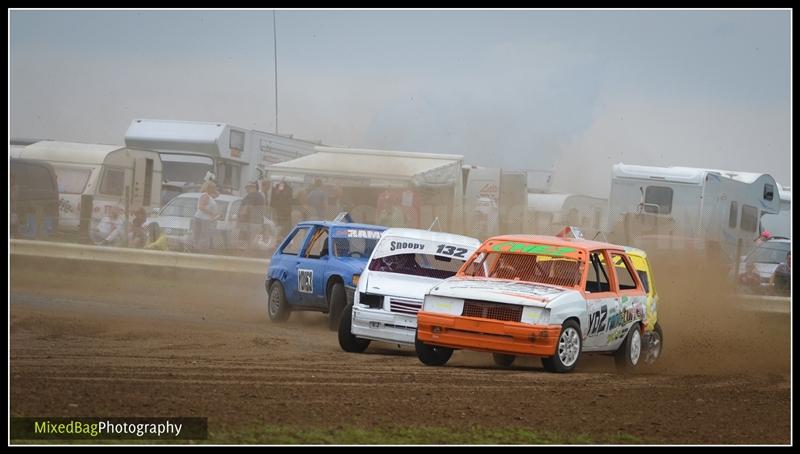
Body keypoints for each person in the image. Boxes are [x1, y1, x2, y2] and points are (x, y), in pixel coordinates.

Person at [193, 181, 221, 251]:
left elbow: (217, 195)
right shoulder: (205, 195)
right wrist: (213, 213)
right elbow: (201, 207)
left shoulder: (209, 196)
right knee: (203, 236)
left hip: (205, 219)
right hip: (202, 219)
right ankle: (201, 250)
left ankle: (200, 249)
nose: (215, 189)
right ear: (209, 188)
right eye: (213, 188)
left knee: (203, 235)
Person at [238, 181, 266, 248]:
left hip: (250, 222)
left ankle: (247, 254)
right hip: (258, 222)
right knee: (253, 241)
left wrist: (241, 216)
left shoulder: (252, 195)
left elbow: (247, 207)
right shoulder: (261, 196)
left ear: (253, 187)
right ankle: (251, 253)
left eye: (248, 187)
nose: (246, 189)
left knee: (249, 241)